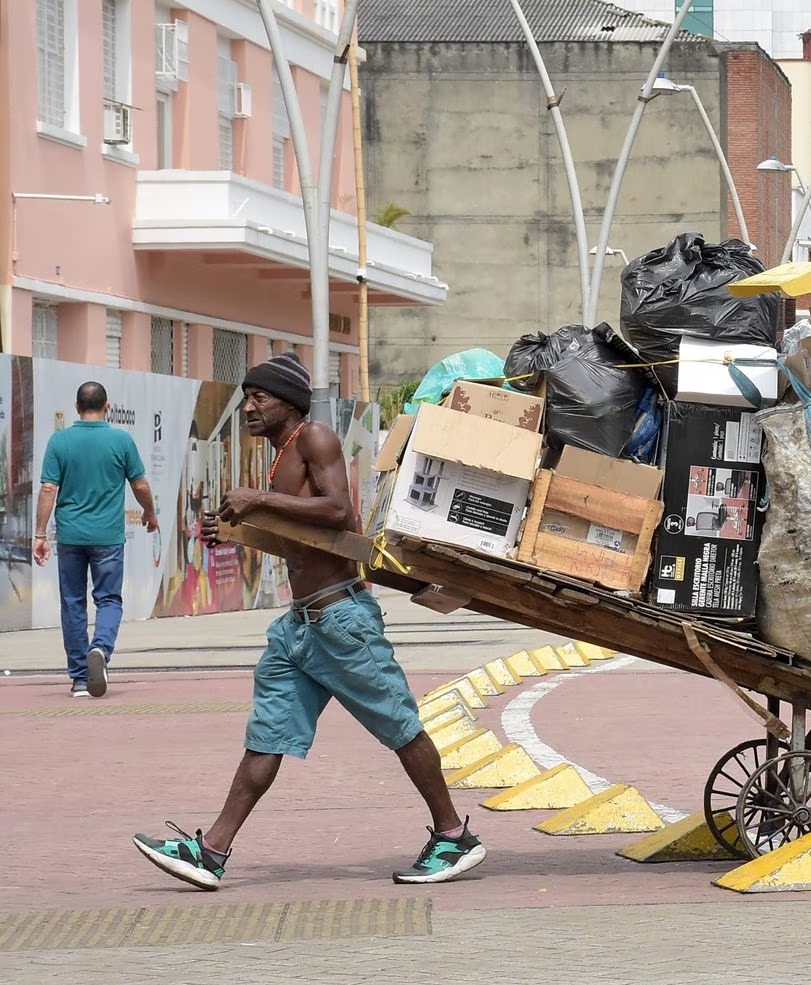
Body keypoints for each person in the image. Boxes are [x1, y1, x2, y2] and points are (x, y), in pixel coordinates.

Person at [133, 354, 486, 890]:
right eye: (247, 396)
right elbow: (303, 544)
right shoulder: (280, 457)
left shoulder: (314, 436)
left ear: (289, 403)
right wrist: (238, 533)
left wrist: (258, 499)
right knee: (267, 735)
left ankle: (454, 835)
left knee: (399, 725)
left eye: (261, 398)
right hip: (300, 628)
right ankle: (211, 851)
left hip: (341, 618)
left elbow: (340, 512)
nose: (249, 407)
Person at [32, 381, 160, 698]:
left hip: (71, 536)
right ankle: (100, 649)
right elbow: (140, 484)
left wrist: (39, 534)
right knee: (108, 600)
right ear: (108, 407)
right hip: (108, 537)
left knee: (72, 603)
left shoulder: (60, 441)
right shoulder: (121, 440)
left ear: (76, 407)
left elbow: (49, 489)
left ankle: (79, 678)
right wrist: (150, 513)